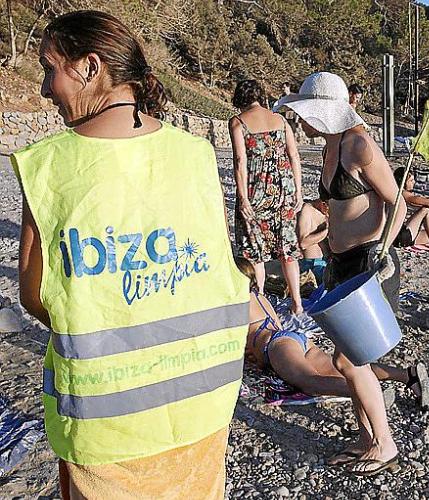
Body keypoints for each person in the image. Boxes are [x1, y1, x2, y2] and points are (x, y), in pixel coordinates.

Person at [14, 11, 249, 498]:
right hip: (204, 405)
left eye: (50, 69)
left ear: (89, 67)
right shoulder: (197, 154)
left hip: (107, 426)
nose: (44, 88)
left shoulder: (48, 167)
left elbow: (35, 298)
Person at [275, 72, 407, 476]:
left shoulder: (359, 144)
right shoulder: (332, 144)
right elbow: (338, 207)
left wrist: (381, 252)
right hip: (340, 263)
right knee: (344, 357)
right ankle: (367, 438)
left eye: (306, 113)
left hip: (368, 263)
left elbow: (397, 204)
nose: (301, 121)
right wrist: (317, 232)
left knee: (351, 360)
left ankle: (384, 444)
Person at [235, 257, 429, 407]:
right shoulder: (259, 296)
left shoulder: (237, 303)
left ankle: (373, 396)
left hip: (276, 347)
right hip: (294, 338)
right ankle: (405, 375)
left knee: (311, 383)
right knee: (345, 370)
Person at [229, 79, 305, 314]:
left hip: (256, 192)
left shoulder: (238, 122)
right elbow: (294, 156)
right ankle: (297, 304)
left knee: (255, 251)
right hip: (284, 191)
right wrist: (298, 190)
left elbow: (240, 161)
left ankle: (260, 301)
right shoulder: (280, 120)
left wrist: (243, 197)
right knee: (287, 249)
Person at [296, 199, 329, 282]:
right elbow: (303, 243)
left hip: (328, 261)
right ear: (323, 203)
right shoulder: (307, 209)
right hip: (313, 263)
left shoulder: (329, 212)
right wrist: (326, 231)